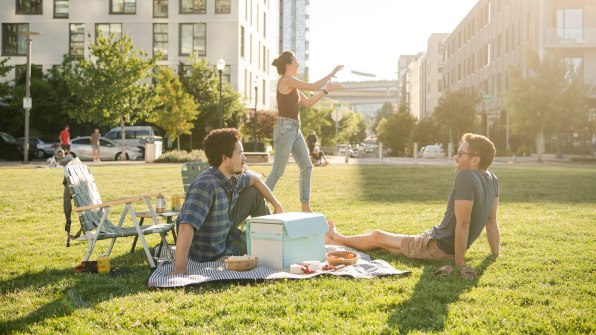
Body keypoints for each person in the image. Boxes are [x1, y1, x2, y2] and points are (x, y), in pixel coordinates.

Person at [326, 133, 500, 279]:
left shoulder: (466, 176)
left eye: (461, 154)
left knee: (377, 236)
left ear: (475, 160)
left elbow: (464, 223)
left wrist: (459, 263)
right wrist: (494, 254)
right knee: (385, 244)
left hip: (437, 247)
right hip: (436, 239)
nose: (456, 157)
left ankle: (336, 237)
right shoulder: (492, 179)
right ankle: (339, 240)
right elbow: (492, 222)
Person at [171, 128, 284, 275]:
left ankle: (274, 239)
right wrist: (180, 268)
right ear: (225, 158)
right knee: (261, 253)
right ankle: (271, 244)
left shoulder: (233, 177)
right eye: (240, 154)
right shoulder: (205, 185)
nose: (244, 158)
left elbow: (255, 180)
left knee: (254, 193)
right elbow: (186, 226)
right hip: (208, 254)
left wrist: (277, 205)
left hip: (226, 237)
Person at [265, 51, 344, 212]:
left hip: (295, 128)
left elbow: (308, 102)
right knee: (278, 171)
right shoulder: (287, 80)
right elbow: (313, 86)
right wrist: (331, 73)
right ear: (288, 65)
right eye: (296, 62)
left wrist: (327, 90)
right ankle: (258, 203)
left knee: (307, 167)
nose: (298, 65)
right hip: (284, 129)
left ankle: (305, 207)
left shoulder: (292, 85)